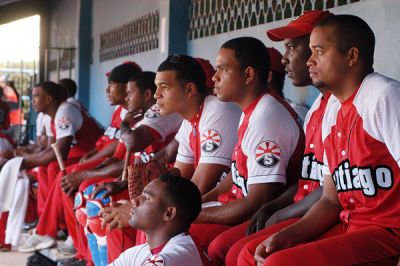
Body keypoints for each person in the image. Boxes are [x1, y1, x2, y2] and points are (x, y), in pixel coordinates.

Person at [251, 14, 400, 266]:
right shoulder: (331, 108)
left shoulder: (383, 95)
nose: (309, 60)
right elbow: (331, 199)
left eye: (318, 51)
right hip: (350, 225)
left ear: (351, 57)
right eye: (309, 51)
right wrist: (287, 236)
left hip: (388, 233)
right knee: (257, 253)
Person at [217, 10, 335, 266]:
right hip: (304, 207)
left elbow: (332, 191)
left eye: (293, 47)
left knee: (241, 252)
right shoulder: (318, 107)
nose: (284, 59)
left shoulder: (361, 102)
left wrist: (281, 211)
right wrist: (276, 208)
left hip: (330, 215)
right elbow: (307, 179)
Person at [189, 37, 304, 264]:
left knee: (195, 238)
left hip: (261, 214)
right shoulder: (251, 108)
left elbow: (257, 202)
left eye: (223, 69)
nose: (214, 77)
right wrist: (201, 201)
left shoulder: (267, 117)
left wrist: (193, 215)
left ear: (249, 75)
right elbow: (237, 174)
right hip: (236, 204)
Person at [109, 174, 203, 266]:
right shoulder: (137, 253)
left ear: (168, 214)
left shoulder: (175, 258)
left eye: (146, 198)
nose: (134, 201)